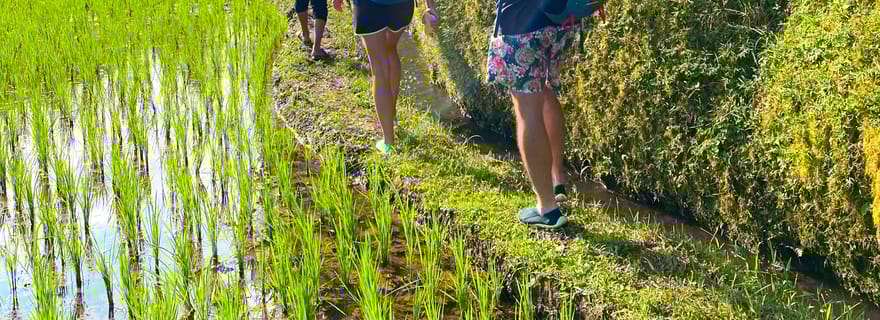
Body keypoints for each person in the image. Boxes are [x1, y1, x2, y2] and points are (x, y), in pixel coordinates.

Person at [487, 0, 581, 228]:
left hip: (523, 24)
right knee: (544, 91)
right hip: (560, 20)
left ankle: (547, 208)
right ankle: (556, 180)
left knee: (527, 108)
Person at [334, 0, 438, 154]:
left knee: (379, 69)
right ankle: (392, 113)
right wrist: (430, 6)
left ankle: (388, 142)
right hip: (401, 6)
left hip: (369, 6)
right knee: (390, 49)